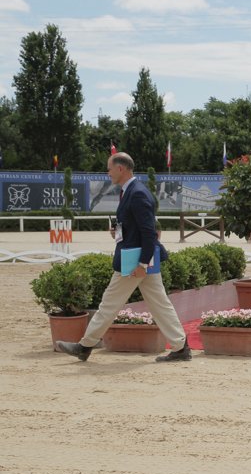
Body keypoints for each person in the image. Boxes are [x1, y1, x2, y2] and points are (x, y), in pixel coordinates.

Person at [56, 153, 191, 362]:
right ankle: (181, 347)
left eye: (109, 169)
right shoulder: (131, 191)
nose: (107, 173)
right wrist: (119, 230)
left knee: (109, 304)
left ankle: (85, 346)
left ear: (121, 168)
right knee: (160, 304)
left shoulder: (137, 193)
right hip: (141, 259)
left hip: (135, 261)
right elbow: (136, 226)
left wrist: (142, 264)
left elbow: (149, 232)